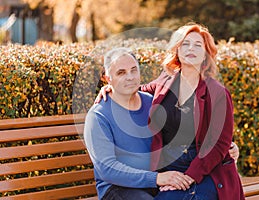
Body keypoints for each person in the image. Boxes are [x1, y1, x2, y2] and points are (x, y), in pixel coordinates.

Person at [95, 23, 244, 200]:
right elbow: (137, 89)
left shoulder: (218, 93)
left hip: (205, 170)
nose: (191, 49)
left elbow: (219, 145)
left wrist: (190, 177)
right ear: (177, 50)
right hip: (169, 168)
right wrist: (112, 88)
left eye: (198, 45)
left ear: (206, 53)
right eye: (185, 43)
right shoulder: (165, 81)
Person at [84, 47, 194, 200]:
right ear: (108, 79)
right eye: (121, 73)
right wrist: (156, 178)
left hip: (157, 182)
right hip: (118, 189)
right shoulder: (99, 116)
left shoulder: (153, 102)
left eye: (133, 70)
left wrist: (226, 147)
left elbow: (187, 131)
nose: (130, 77)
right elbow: (107, 169)